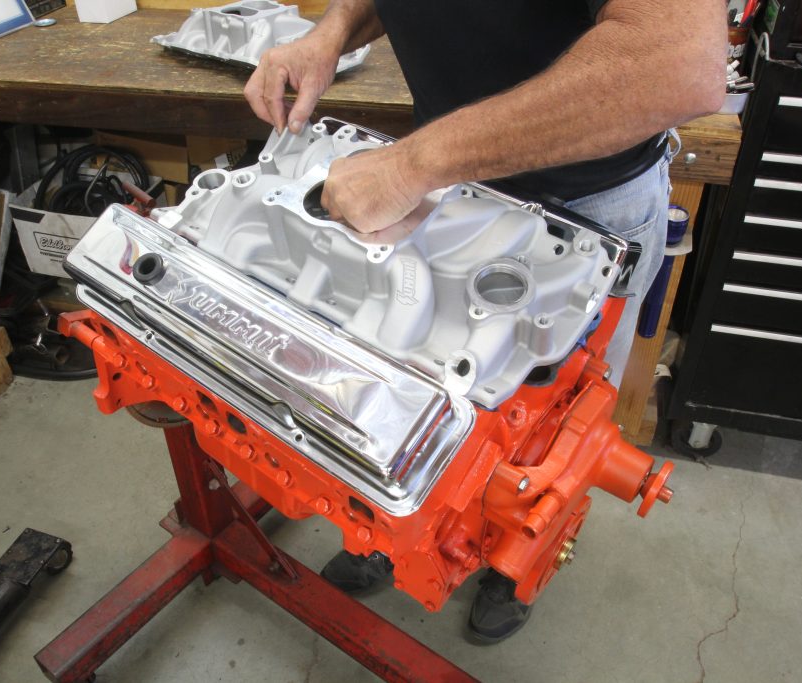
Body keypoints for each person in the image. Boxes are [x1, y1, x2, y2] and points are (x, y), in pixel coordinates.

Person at [244, 0, 724, 644]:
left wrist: (413, 164)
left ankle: (518, 561)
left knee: (541, 436)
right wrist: (330, 34)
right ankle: (386, 528)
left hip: (582, 214)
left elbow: (676, 65)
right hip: (442, 187)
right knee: (404, 385)